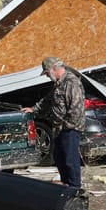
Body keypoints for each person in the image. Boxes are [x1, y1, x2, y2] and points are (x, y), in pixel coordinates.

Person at [23, 56, 85, 188]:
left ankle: (74, 188)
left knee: (70, 160)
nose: (46, 76)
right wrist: (33, 109)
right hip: (59, 128)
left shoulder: (71, 82)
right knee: (59, 158)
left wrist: (66, 126)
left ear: (54, 69)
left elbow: (75, 109)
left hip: (69, 129)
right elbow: (47, 100)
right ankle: (66, 184)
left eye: (46, 73)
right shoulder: (59, 84)